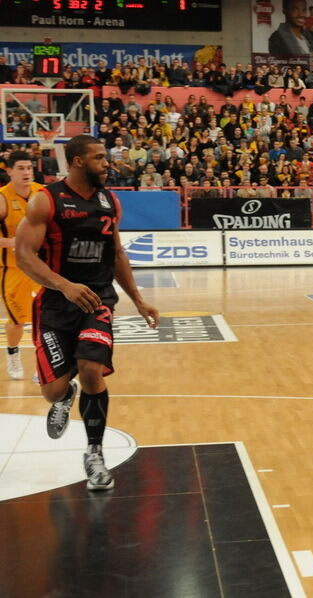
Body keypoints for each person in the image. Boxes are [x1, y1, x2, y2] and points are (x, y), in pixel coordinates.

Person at [15, 135, 159, 491]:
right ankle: (64, 396)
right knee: (52, 390)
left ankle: (94, 453)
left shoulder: (110, 201)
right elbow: (24, 255)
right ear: (77, 161)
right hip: (55, 304)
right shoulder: (45, 201)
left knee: (93, 370)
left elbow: (117, 255)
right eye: (98, 158)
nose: (106, 164)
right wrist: (64, 285)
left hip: (98, 300)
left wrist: (138, 300)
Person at [0, 151, 43, 380]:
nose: (27, 172)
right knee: (18, 322)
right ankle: (13, 353)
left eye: (29, 168)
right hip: (12, 269)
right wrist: (14, 242)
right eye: (21, 168)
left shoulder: (42, 193)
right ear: (9, 171)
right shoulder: (2, 198)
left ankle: (42, 366)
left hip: (41, 268)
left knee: (46, 318)